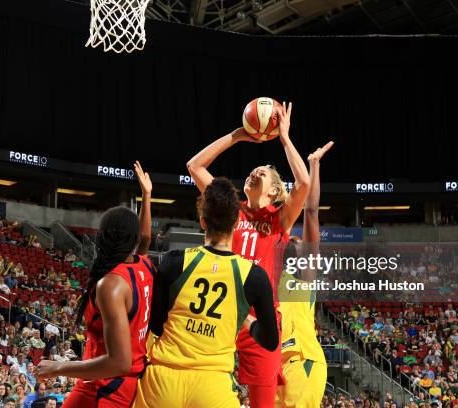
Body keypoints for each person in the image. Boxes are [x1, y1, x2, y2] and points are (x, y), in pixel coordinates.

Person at [187, 101, 310, 407]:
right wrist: (237, 136)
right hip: (220, 314)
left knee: (262, 403)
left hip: (261, 319)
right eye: (254, 170)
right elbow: (195, 167)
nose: (256, 171)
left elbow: (304, 183)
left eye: (264, 173)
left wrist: (284, 138)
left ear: (274, 192)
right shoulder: (230, 208)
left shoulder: (279, 218)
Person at [133, 177, 279, 408]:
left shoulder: (173, 262)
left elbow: (156, 325)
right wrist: (248, 321)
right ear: (236, 223)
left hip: (164, 380)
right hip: (213, 386)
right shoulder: (254, 276)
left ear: (202, 222)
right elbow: (270, 341)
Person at [36, 161, 154, 408]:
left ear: (101, 237)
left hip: (108, 385)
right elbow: (144, 240)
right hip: (108, 382)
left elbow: (119, 362)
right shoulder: (143, 266)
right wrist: (146, 196)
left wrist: (59, 367)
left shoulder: (111, 285)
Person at [276, 143, 333, 407]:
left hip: (303, 361)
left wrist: (314, 165)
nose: (297, 240)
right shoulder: (271, 277)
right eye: (293, 239)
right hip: (279, 367)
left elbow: (310, 211)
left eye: (299, 242)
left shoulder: (304, 276)